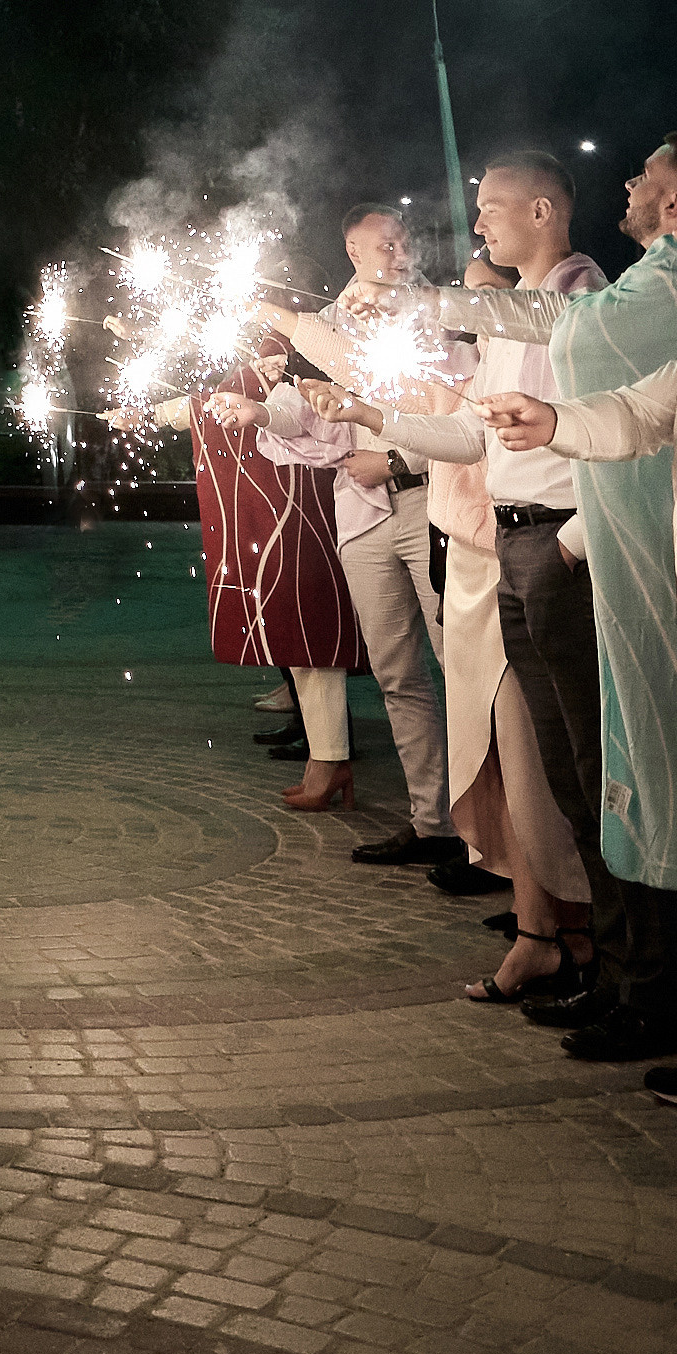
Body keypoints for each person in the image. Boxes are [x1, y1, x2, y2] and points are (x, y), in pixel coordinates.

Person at [437, 131, 677, 1063]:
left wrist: (567, 534)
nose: (653, 200)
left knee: (618, 770)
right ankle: (621, 980)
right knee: (588, 776)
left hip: (594, 562)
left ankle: (646, 992)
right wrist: (554, 420)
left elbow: (577, 333)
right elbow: (640, 410)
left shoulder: (607, 295)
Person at [309, 157, 606, 1009]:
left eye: (489, 210)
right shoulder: (515, 313)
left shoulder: (578, 294)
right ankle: (549, 931)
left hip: (546, 549)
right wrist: (369, 415)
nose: (475, 226)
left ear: (542, 210)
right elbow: (472, 439)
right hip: (510, 547)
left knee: (565, 759)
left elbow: (550, 328)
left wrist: (426, 302)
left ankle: (588, 943)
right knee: (526, 752)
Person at [261, 205, 452, 861]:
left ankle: (492, 833)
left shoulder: (435, 315)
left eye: (405, 243)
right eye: (387, 245)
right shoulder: (330, 325)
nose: (400, 255)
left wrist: (393, 460)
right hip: (362, 516)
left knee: (463, 668)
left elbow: (465, 423)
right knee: (398, 677)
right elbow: (298, 410)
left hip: (430, 505)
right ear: (352, 249)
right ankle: (433, 824)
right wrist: (255, 408)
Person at [152, 340, 366, 810]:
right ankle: (327, 755)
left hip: (292, 503)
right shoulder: (248, 341)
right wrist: (152, 414)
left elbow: (292, 411)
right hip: (268, 506)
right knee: (297, 639)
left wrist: (259, 411)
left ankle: (331, 759)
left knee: (310, 635)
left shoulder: (280, 343)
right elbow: (215, 403)